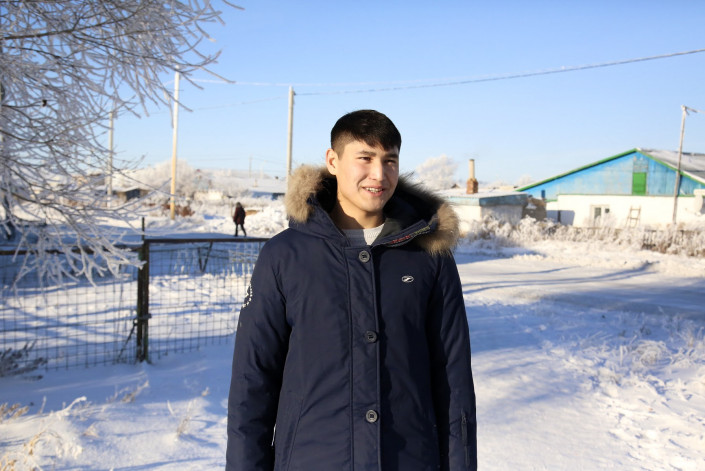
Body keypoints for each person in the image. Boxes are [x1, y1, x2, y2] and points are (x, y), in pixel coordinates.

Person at [227, 110, 477, 470]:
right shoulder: (284, 256)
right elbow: (252, 383)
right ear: (333, 161)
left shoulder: (429, 257)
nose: (379, 174)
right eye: (365, 158)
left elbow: (453, 381)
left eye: (389, 161)